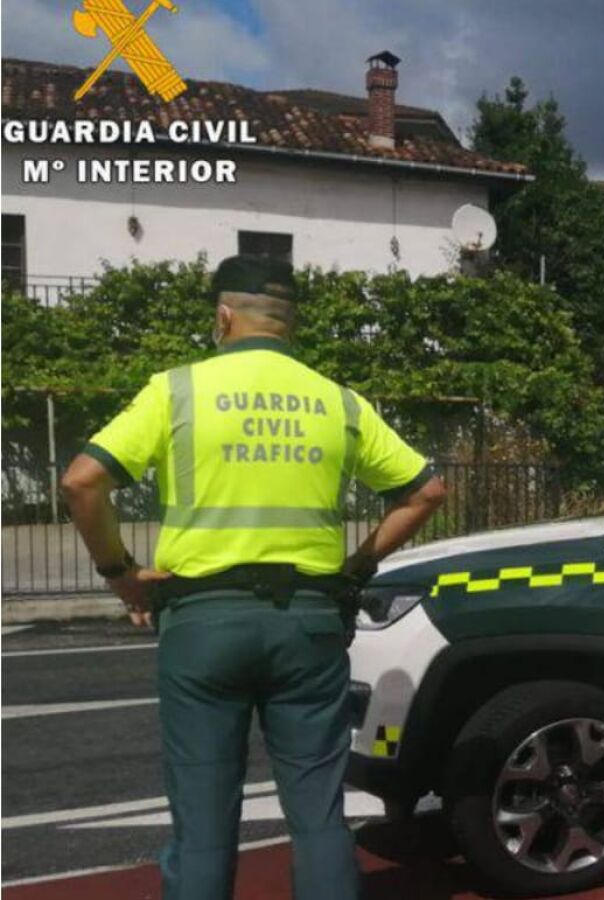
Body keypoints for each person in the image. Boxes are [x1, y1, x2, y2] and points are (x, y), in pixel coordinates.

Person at [59, 255, 447, 900]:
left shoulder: (177, 390)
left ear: (222, 316)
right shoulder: (338, 402)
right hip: (310, 623)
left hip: (203, 622)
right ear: (289, 323)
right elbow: (426, 491)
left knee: (203, 822)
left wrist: (120, 572)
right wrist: (355, 565)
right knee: (318, 817)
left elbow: (81, 482)